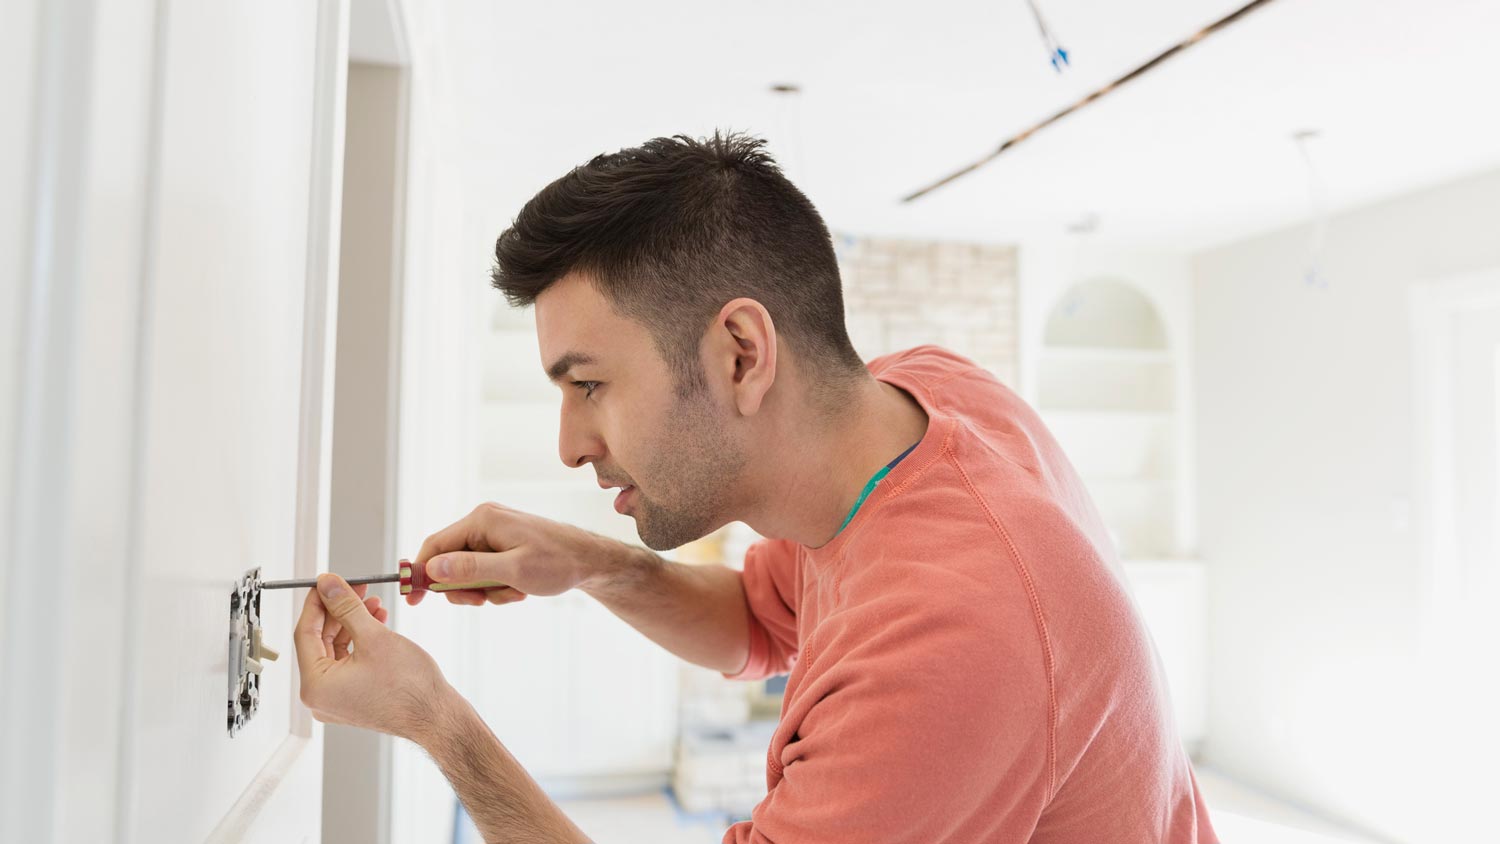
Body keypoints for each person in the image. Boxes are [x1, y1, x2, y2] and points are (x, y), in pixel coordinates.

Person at [294, 132, 1219, 843]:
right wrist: (582, 562)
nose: (571, 445)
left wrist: (436, 722)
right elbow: (760, 623)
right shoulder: (919, 400)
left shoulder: (953, 642)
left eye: (589, 385)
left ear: (741, 353)